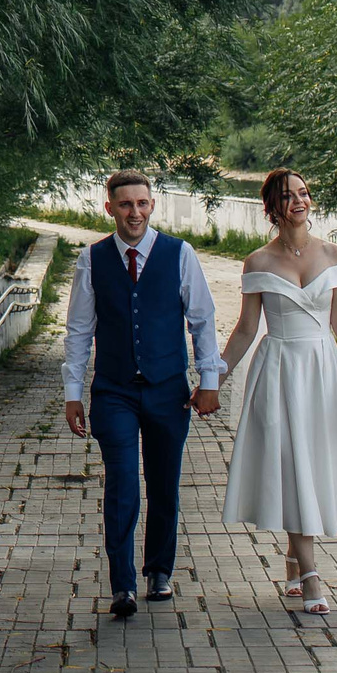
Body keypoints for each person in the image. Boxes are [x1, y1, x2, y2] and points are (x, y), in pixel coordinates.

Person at [60, 169, 223, 620]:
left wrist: (208, 382)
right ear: (109, 208)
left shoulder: (179, 254)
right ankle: (123, 585)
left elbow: (202, 320)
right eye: (126, 204)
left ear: (152, 206)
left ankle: (159, 571)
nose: (135, 212)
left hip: (168, 390)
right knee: (123, 484)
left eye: (143, 204)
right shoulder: (92, 258)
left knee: (164, 484)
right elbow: (78, 331)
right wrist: (73, 393)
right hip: (113, 390)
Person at [218, 168, 337, 615]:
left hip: (321, 370)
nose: (299, 202)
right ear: (272, 206)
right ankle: (309, 572)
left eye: (304, 193)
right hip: (279, 369)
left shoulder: (333, 253)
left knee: (310, 463)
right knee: (290, 462)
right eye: (288, 196)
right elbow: (247, 329)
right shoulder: (258, 262)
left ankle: (293, 557)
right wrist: (215, 379)